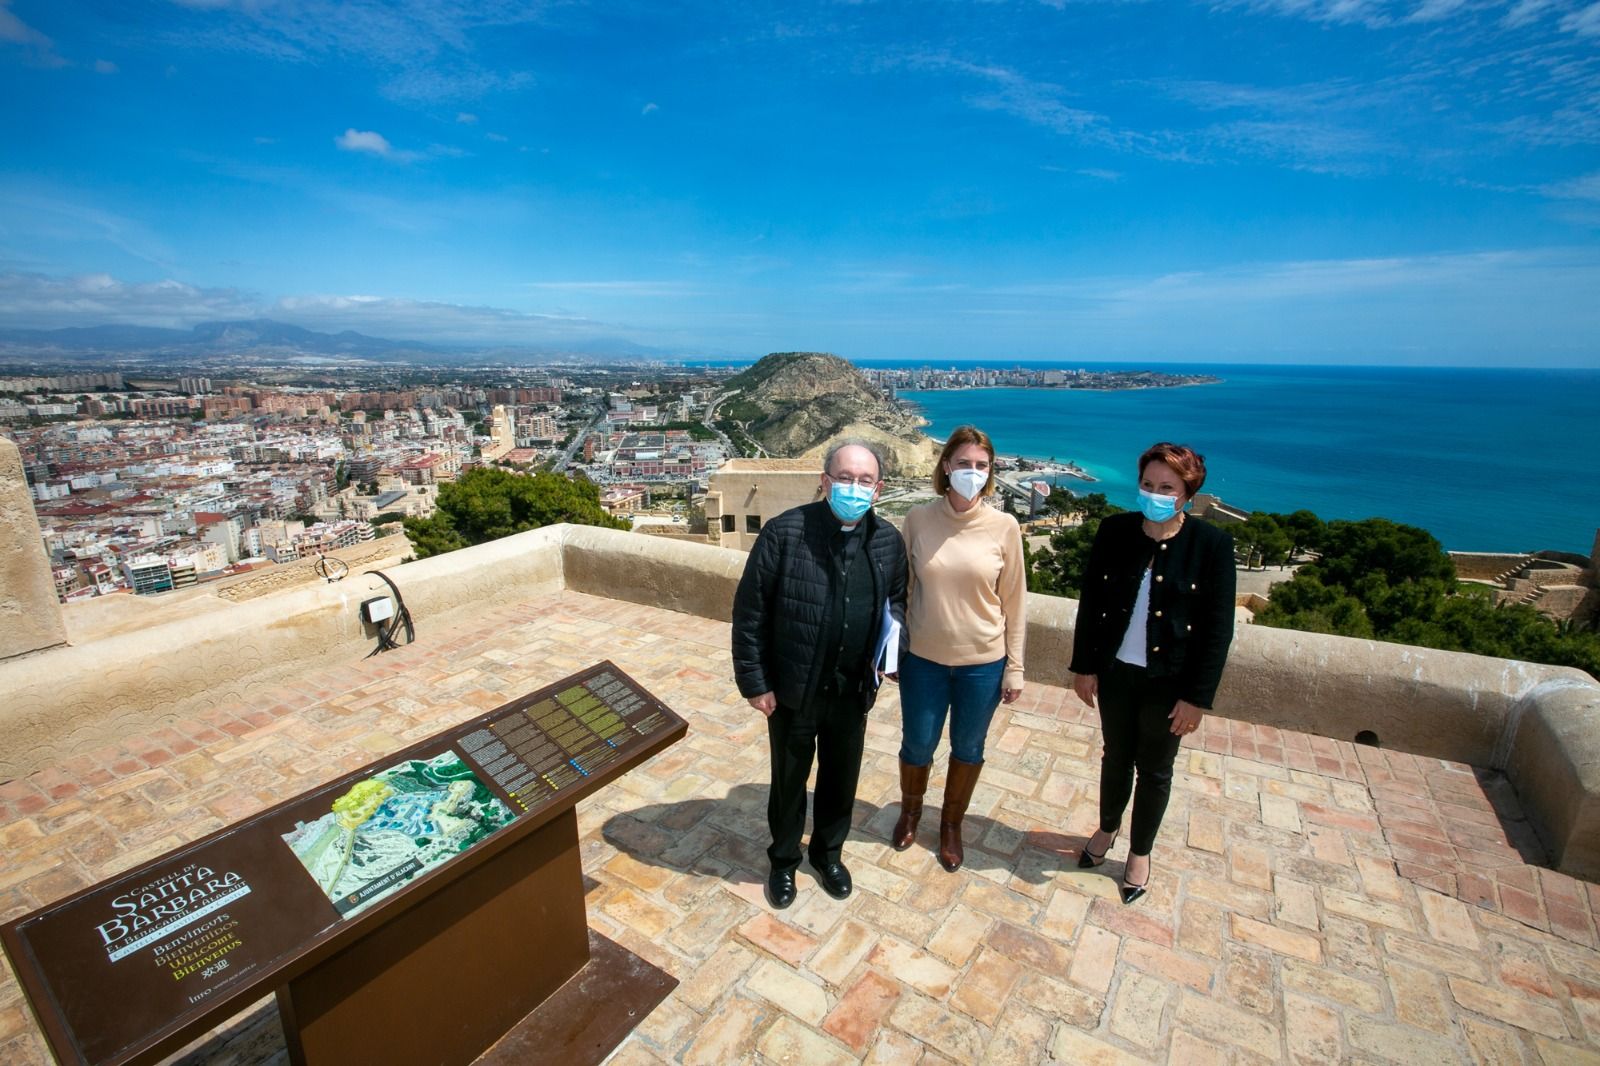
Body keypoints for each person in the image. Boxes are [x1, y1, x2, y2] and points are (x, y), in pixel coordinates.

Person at [732, 439, 908, 910]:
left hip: (852, 690)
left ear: (879, 488)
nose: (854, 487)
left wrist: (896, 650)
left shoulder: (889, 541)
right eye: (845, 478)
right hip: (794, 688)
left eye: (865, 480)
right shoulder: (784, 534)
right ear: (825, 481)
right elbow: (750, 614)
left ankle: (828, 854)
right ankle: (784, 861)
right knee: (789, 781)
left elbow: (897, 605)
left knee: (840, 779)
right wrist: (755, 682)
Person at [1070, 442, 1236, 904]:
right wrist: (1084, 666)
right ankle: (1106, 829)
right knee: (1115, 757)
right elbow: (1092, 605)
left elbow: (1217, 631)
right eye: (1148, 484)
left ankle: (1140, 853)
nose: (1155, 493)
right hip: (1117, 673)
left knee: (1156, 770)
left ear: (1187, 492)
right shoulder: (1114, 531)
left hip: (1171, 683)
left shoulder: (1213, 546)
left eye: (1167, 487)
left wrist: (1197, 698)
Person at [893, 426, 1026, 872]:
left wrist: (1016, 667)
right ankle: (911, 812)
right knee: (917, 745)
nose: (972, 472)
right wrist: (893, 651)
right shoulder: (917, 519)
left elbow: (1015, 602)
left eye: (981, 466)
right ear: (946, 466)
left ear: (990, 473)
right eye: (964, 463)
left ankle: (950, 825)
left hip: (982, 665)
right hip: (924, 661)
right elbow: (903, 592)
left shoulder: (1005, 527)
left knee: (968, 748)